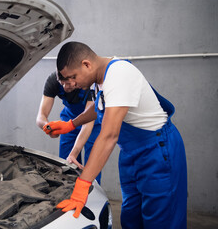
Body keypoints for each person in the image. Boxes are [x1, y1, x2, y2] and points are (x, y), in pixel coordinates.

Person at [43, 41, 187, 229]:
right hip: (131, 154)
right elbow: (100, 106)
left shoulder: (119, 74)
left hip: (158, 152)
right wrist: (71, 124)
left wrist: (82, 185)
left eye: (73, 77)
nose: (72, 84)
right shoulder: (100, 80)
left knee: (161, 220)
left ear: (86, 64)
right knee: (131, 217)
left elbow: (109, 135)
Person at [36, 71, 102, 183]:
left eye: (68, 83)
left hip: (92, 124)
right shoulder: (53, 80)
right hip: (68, 121)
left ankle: (93, 198)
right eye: (62, 84)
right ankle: (67, 196)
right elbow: (40, 117)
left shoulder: (90, 84)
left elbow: (88, 121)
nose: (65, 87)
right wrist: (48, 127)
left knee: (92, 165)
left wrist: (74, 153)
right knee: (66, 164)